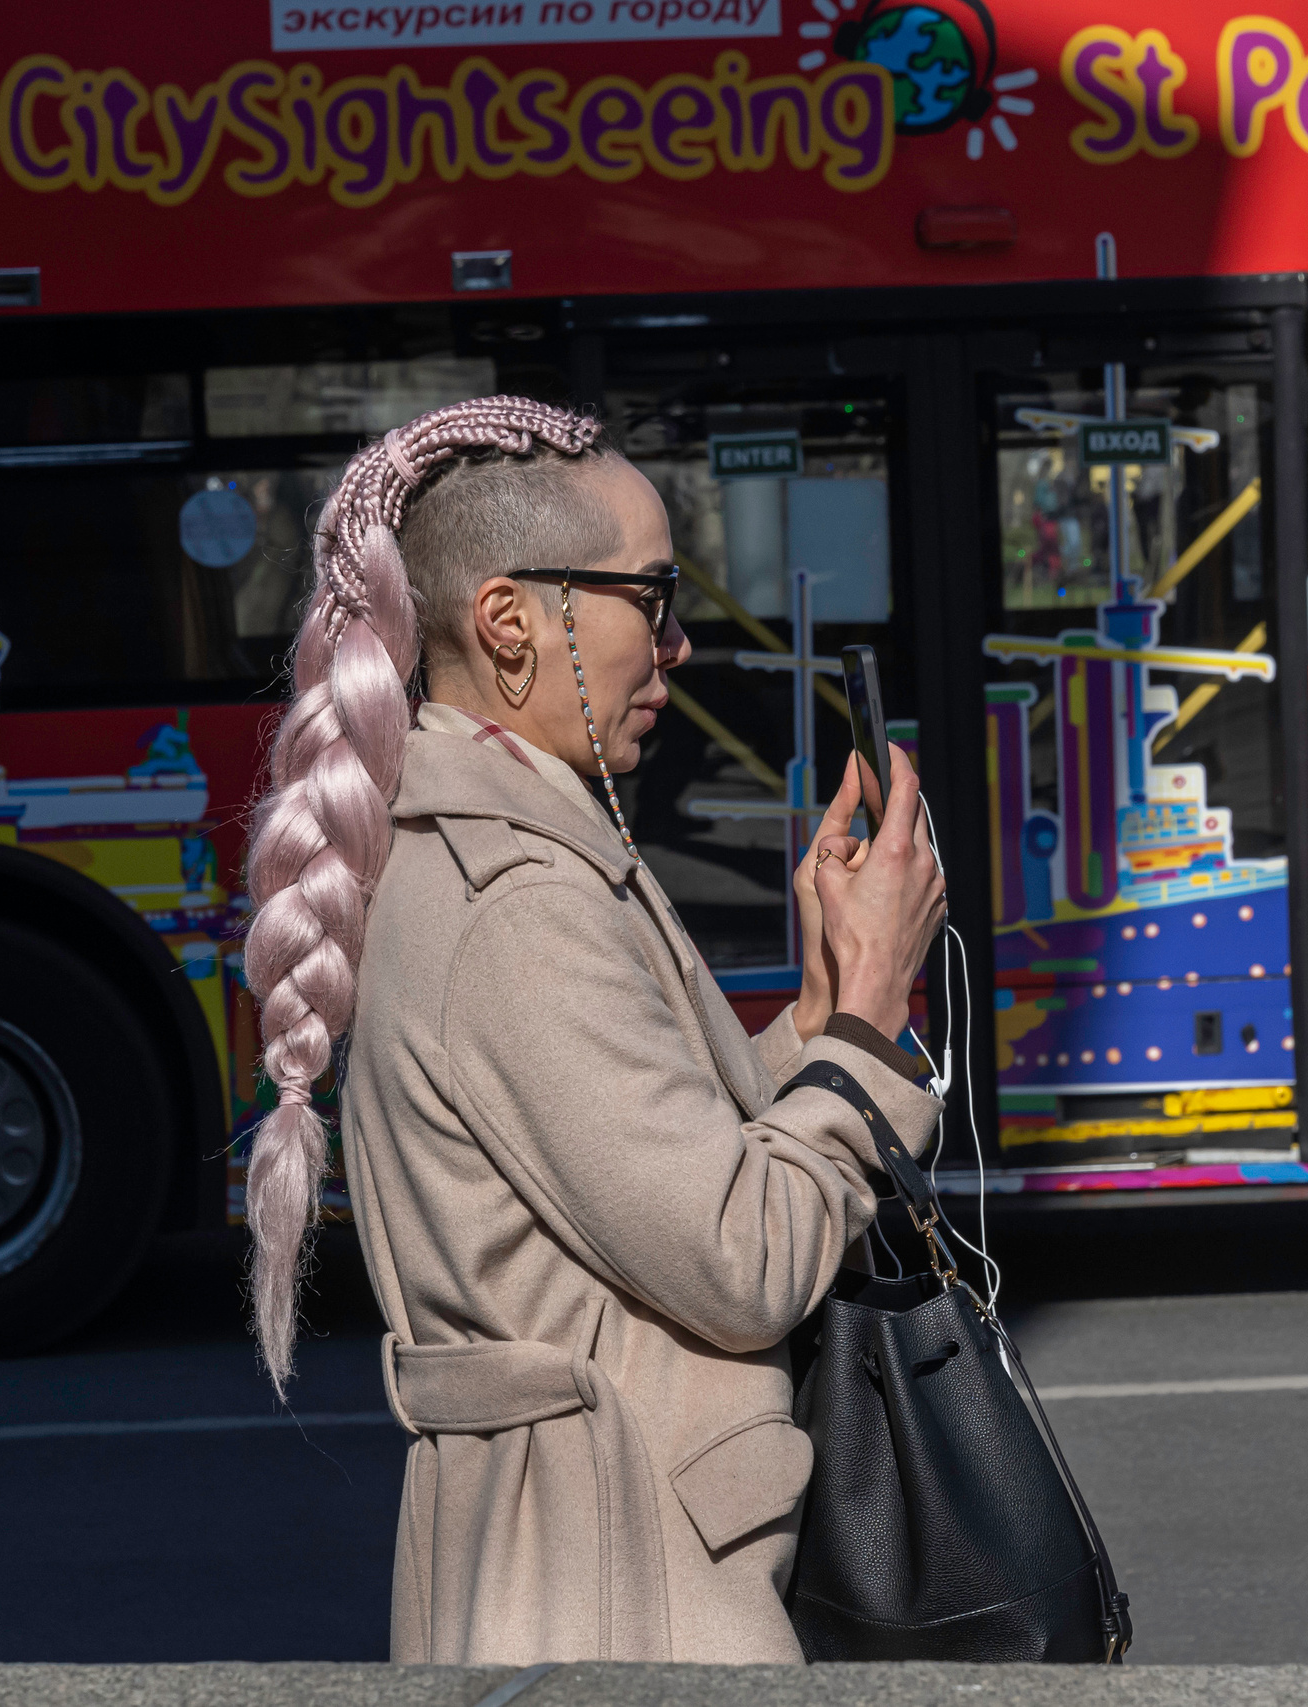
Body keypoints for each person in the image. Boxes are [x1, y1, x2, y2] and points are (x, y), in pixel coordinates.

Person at [241, 396, 946, 1664]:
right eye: (653, 598)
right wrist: (871, 1013)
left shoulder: (514, 839)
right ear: (511, 622)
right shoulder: (517, 899)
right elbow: (742, 1258)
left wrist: (827, 1001)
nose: (675, 646)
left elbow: (655, 1158)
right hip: (616, 1596)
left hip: (585, 1565)